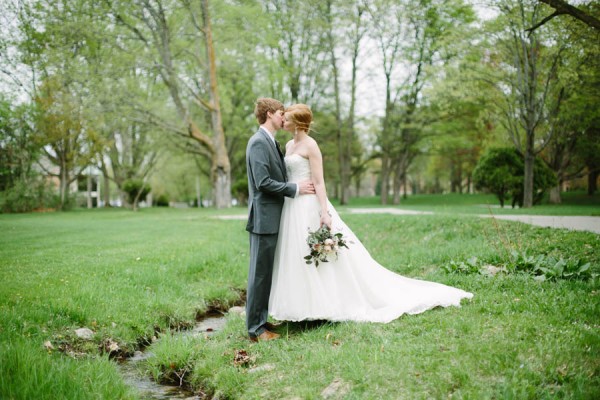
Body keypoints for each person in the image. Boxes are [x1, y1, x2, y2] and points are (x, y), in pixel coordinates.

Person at [269, 104, 473, 323]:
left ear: (298, 124)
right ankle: (300, 306)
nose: (283, 121)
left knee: (322, 256)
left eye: (287, 118)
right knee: (296, 253)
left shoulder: (311, 146)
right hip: (292, 206)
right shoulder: (289, 144)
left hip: (310, 205)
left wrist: (325, 212)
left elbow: (319, 182)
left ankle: (323, 306)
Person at [245, 98, 315, 342]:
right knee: (259, 274)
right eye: (281, 113)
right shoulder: (257, 143)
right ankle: (255, 329)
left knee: (267, 272)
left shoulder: (270, 141)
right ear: (270, 114)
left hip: (275, 216)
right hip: (263, 218)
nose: (283, 118)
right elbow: (262, 182)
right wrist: (294, 188)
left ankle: (261, 320)